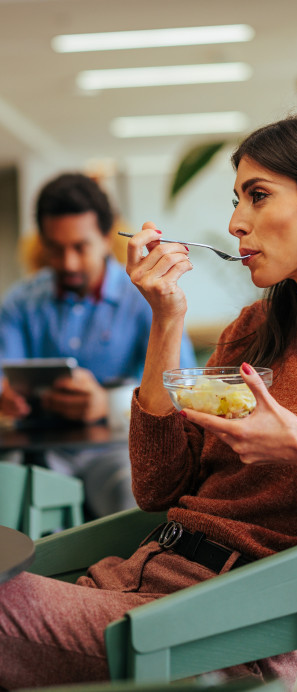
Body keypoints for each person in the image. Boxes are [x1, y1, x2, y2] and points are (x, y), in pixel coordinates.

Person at [1, 110, 297, 690]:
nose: (236, 222)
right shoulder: (252, 331)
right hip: (131, 581)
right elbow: (159, 487)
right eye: (238, 198)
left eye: (258, 196)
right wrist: (166, 318)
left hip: (221, 627)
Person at [0, 172, 196, 517]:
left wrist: (105, 405)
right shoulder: (20, 303)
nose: (69, 263)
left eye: (80, 247)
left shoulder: (147, 300)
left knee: (129, 500)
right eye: (56, 249)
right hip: (41, 448)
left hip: (118, 448)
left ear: (107, 238)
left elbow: (183, 388)